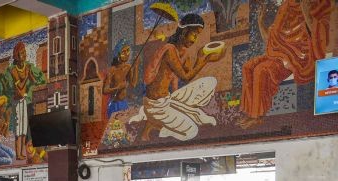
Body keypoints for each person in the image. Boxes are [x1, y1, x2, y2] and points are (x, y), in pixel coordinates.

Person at [130, 13, 223, 141]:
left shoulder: (183, 53)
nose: (195, 39)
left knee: (210, 82)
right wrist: (204, 60)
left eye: (197, 36)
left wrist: (199, 57)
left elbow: (189, 76)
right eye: (194, 34)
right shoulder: (170, 50)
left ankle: (158, 121)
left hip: (168, 98)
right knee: (192, 131)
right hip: (156, 105)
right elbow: (185, 77)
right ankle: (163, 127)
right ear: (184, 31)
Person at [239, 0, 332, 128]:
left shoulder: (318, 5)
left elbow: (320, 37)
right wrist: (260, 23)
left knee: (260, 71)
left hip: (297, 58)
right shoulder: (287, 6)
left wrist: (305, 12)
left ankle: (257, 116)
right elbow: (271, 40)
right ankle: (250, 111)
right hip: (278, 55)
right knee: (247, 67)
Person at [102, 39, 139, 117]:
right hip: (114, 105)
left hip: (124, 103)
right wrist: (118, 88)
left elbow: (133, 84)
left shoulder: (128, 67)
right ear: (118, 54)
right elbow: (105, 90)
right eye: (123, 52)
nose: (127, 54)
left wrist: (136, 67)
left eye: (128, 50)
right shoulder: (112, 70)